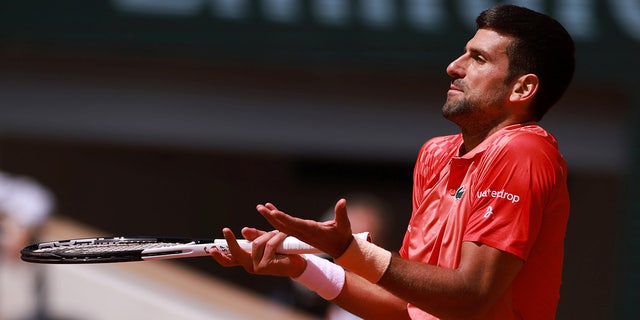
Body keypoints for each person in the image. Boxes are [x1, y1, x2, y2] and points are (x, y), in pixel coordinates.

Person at [211, 4, 574, 319]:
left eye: (478, 59)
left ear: (523, 89)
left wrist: (349, 250)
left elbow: (470, 297)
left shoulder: (523, 150)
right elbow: (404, 308)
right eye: (464, 53)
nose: (453, 67)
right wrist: (302, 266)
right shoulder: (436, 154)